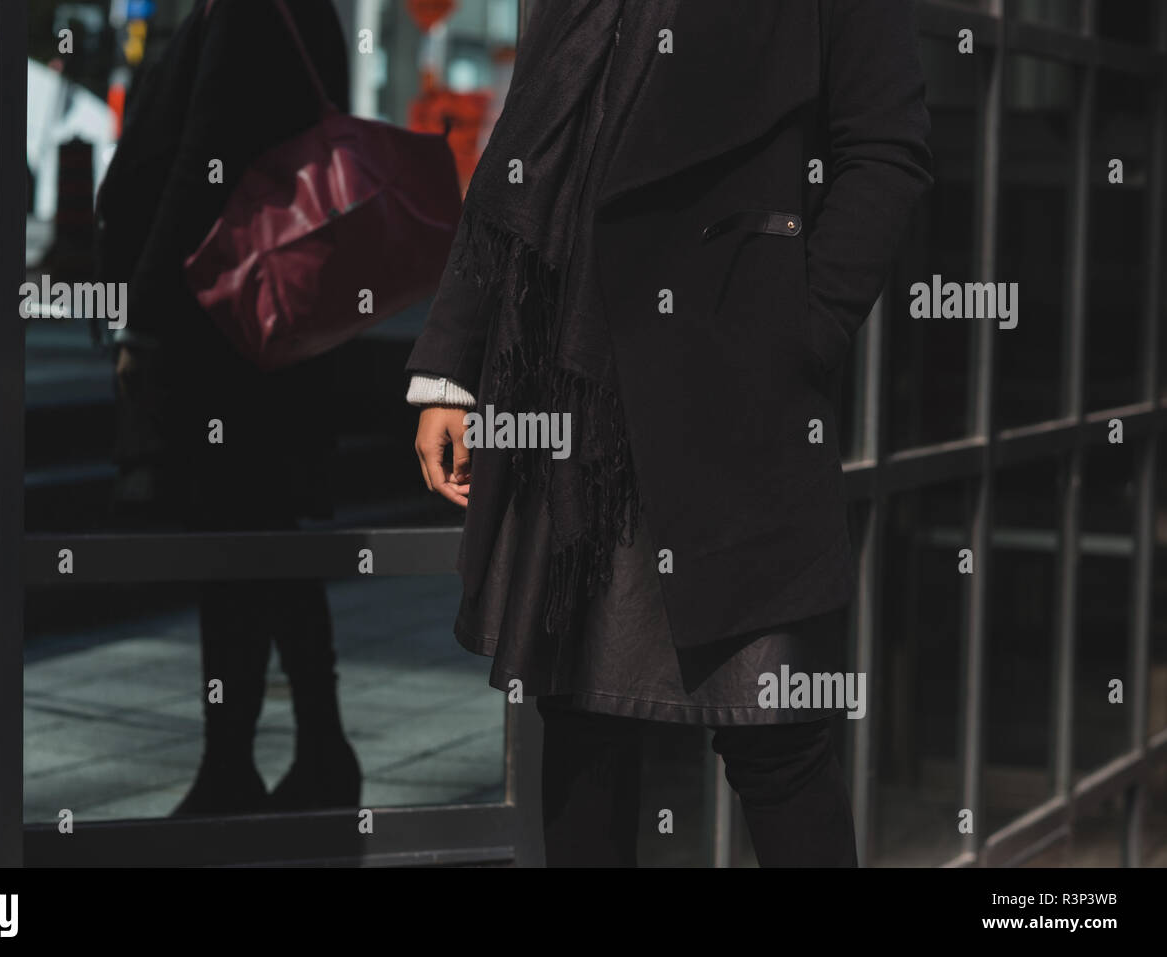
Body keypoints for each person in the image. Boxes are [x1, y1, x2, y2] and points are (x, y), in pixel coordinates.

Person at [408, 0, 933, 865]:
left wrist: (801, 329)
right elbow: (523, 142)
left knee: (774, 728)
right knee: (579, 716)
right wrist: (449, 366)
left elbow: (887, 146)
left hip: (728, 383)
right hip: (568, 387)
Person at [95, 0, 360, 815]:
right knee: (257, 536)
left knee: (241, 537)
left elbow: (199, 158)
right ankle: (297, 749)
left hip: (230, 320)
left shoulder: (248, 10)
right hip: (262, 318)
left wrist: (140, 313)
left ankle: (255, 759)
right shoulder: (291, 11)